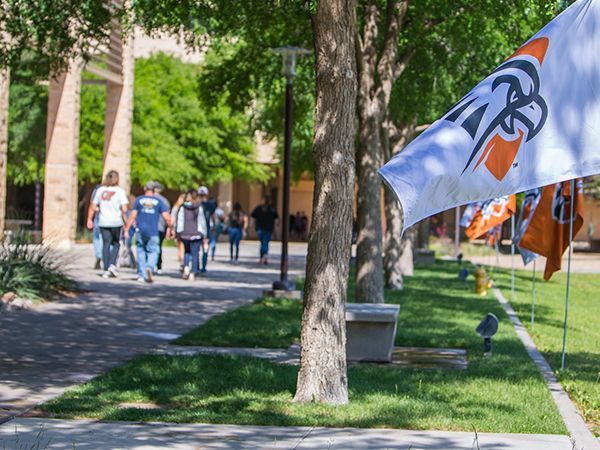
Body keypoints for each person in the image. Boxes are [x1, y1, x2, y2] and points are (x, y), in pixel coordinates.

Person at [124, 182, 173, 283]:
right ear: (154, 190)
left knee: (141, 251)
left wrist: (126, 229)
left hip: (140, 230)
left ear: (145, 188)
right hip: (153, 231)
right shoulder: (158, 201)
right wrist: (171, 227)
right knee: (154, 251)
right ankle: (150, 267)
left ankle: (141, 274)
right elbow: (167, 217)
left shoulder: (138, 200)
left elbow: (132, 216)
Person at [87, 170, 128, 278]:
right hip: (116, 221)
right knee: (116, 243)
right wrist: (126, 223)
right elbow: (124, 209)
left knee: (105, 244)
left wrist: (90, 219)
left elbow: (93, 205)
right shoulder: (120, 191)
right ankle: (112, 264)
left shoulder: (100, 190)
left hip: (103, 221)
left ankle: (105, 268)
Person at [176, 190, 208, 281]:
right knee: (195, 253)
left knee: (187, 251)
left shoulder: (183, 207)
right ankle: (193, 272)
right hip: (196, 234)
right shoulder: (199, 207)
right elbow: (202, 221)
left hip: (185, 233)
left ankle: (186, 267)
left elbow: (180, 220)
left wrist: (179, 232)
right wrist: (204, 233)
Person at [251, 196, 278, 264]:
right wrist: (275, 229)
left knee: (263, 243)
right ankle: (264, 257)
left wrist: (252, 227)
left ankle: (262, 258)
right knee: (265, 243)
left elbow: (252, 217)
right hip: (268, 229)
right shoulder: (272, 209)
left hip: (259, 229)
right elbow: (276, 220)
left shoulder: (258, 208)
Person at [152, 182, 171, 274]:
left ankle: (149, 265)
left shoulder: (147, 199)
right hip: (160, 227)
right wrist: (169, 227)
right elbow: (167, 216)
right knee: (158, 246)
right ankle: (158, 265)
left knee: (147, 246)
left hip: (150, 226)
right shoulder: (164, 201)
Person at [198, 186, 216, 273]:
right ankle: (203, 266)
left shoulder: (195, 204)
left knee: (196, 248)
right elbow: (213, 216)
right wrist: (214, 226)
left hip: (196, 229)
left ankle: (196, 266)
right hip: (206, 229)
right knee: (205, 247)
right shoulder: (211, 205)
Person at [87, 185, 103, 270]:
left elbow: (92, 205)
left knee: (97, 238)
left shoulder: (97, 190)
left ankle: (99, 255)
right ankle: (105, 257)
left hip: (98, 218)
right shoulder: (116, 190)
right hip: (111, 220)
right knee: (104, 239)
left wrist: (89, 219)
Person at [171, 193, 186, 270]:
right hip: (185, 229)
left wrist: (171, 229)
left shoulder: (176, 208)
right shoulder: (186, 207)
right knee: (183, 247)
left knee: (179, 247)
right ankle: (183, 262)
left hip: (178, 229)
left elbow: (172, 220)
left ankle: (182, 261)